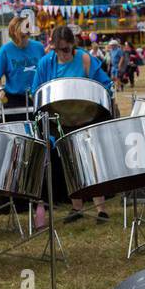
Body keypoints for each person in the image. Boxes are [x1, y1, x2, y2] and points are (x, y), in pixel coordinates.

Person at [33, 24, 112, 222]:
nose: (62, 54)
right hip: (61, 119)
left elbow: (104, 83)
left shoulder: (84, 59)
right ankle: (77, 208)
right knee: (70, 162)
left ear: (73, 45)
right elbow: (37, 91)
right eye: (57, 50)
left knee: (92, 161)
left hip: (86, 115)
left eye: (66, 49)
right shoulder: (45, 63)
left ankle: (101, 209)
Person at [0, 14, 43, 120]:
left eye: (24, 37)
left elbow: (46, 71)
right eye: (19, 38)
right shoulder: (5, 51)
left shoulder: (39, 47)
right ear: (13, 35)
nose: (22, 41)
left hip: (36, 97)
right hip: (13, 100)